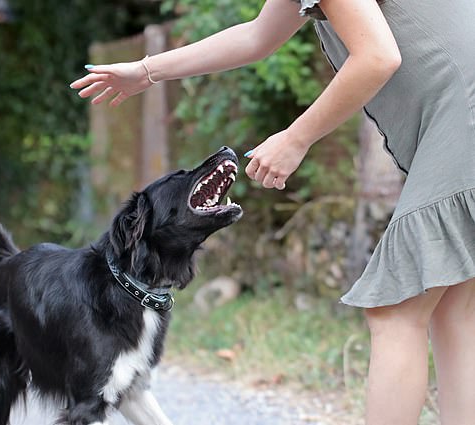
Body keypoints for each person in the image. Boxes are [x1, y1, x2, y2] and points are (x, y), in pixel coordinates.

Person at [70, 0, 475, 423]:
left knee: (397, 311)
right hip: (459, 120)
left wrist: (297, 138)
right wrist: (147, 70)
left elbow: (377, 57)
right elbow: (259, 35)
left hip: (463, 120)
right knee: (454, 311)